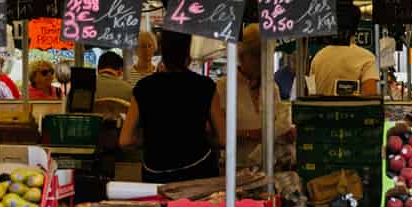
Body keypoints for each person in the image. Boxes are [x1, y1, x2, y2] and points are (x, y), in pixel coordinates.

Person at [122, 30, 218, 183]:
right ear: (188, 52)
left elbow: (125, 140)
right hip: (198, 174)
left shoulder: (144, 87)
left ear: (161, 51)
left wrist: (150, 136)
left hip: (157, 175)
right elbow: (223, 138)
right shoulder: (205, 86)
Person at [213, 25, 295, 171]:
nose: (261, 61)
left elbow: (278, 122)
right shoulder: (223, 87)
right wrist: (249, 134)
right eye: (256, 55)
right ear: (242, 55)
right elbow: (215, 134)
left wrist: (286, 133)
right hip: (235, 168)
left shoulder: (271, 86)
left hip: (269, 167)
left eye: (265, 55)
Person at [308, 22, 380, 99]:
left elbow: (311, 92)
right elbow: (370, 96)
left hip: (321, 110)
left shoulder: (318, 57)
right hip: (354, 110)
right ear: (355, 30)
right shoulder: (366, 57)